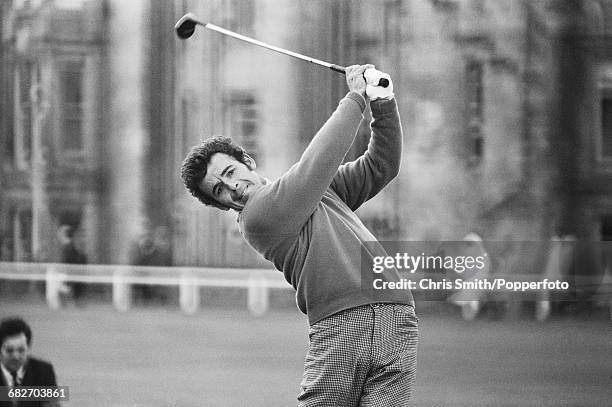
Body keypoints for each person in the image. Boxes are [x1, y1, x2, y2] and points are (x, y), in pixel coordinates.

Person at [181, 64, 418, 405]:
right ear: (220, 204)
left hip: (398, 318)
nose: (232, 187)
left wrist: (382, 101)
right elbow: (317, 163)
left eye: (231, 172)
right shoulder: (256, 218)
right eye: (219, 190)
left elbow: (381, 165)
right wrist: (354, 97)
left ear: (247, 160)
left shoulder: (316, 190)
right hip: (342, 325)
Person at [0, 317, 58, 407]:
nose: (16, 356)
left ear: (29, 349)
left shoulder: (44, 371)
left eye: (21, 350)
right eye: (10, 350)